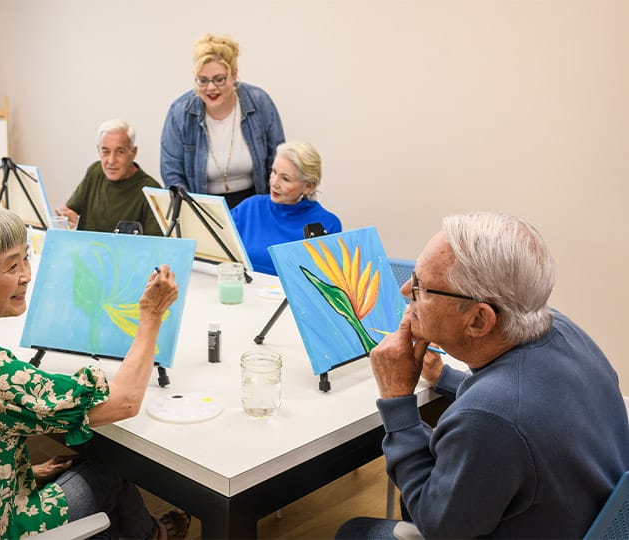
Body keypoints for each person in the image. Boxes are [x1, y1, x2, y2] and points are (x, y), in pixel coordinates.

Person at [0, 205, 190, 540]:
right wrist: (151, 315)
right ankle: (153, 534)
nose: (26, 274)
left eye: (26, 258)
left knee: (76, 474)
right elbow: (124, 402)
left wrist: (22, 473)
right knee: (108, 473)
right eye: (12, 265)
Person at [336, 212, 629, 539]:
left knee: (357, 531)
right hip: (582, 518)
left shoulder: (491, 418)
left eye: (421, 286)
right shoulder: (560, 328)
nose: (406, 289)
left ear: (478, 321)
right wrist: (444, 377)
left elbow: (436, 524)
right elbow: (522, 405)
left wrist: (397, 398)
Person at [160, 33, 285, 209]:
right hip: (202, 206)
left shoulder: (260, 103)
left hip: (256, 205)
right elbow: (172, 175)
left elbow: (278, 162)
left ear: (234, 75)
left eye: (219, 79)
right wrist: (194, 214)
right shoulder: (179, 112)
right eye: (203, 80)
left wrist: (268, 210)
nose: (211, 88)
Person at [230, 141, 341, 275]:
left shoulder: (327, 224)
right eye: (274, 172)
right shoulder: (249, 208)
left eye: (286, 179)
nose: (274, 183)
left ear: (308, 187)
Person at [57, 119, 163, 235]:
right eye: (105, 152)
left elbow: (155, 247)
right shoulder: (95, 172)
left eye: (120, 152)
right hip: (85, 251)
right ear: (98, 150)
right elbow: (67, 211)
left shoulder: (151, 190)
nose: (111, 161)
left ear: (133, 152)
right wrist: (65, 215)